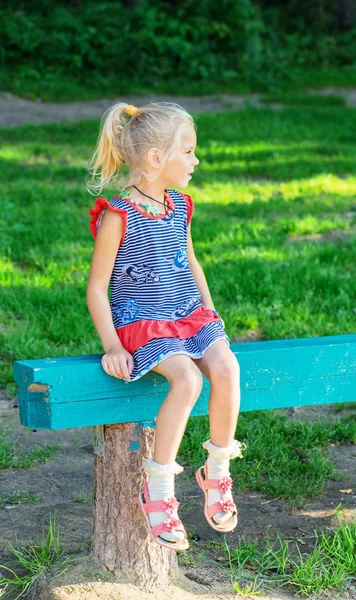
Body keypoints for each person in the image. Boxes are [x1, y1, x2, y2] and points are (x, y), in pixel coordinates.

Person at [86, 101, 246, 551]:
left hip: (188, 315)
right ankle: (157, 489)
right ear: (157, 158)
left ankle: (216, 474)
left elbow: (191, 262)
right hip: (145, 324)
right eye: (189, 151)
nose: (196, 161)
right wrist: (113, 345)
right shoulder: (119, 215)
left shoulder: (178, 206)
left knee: (227, 368)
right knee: (188, 379)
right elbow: (97, 289)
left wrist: (209, 313)